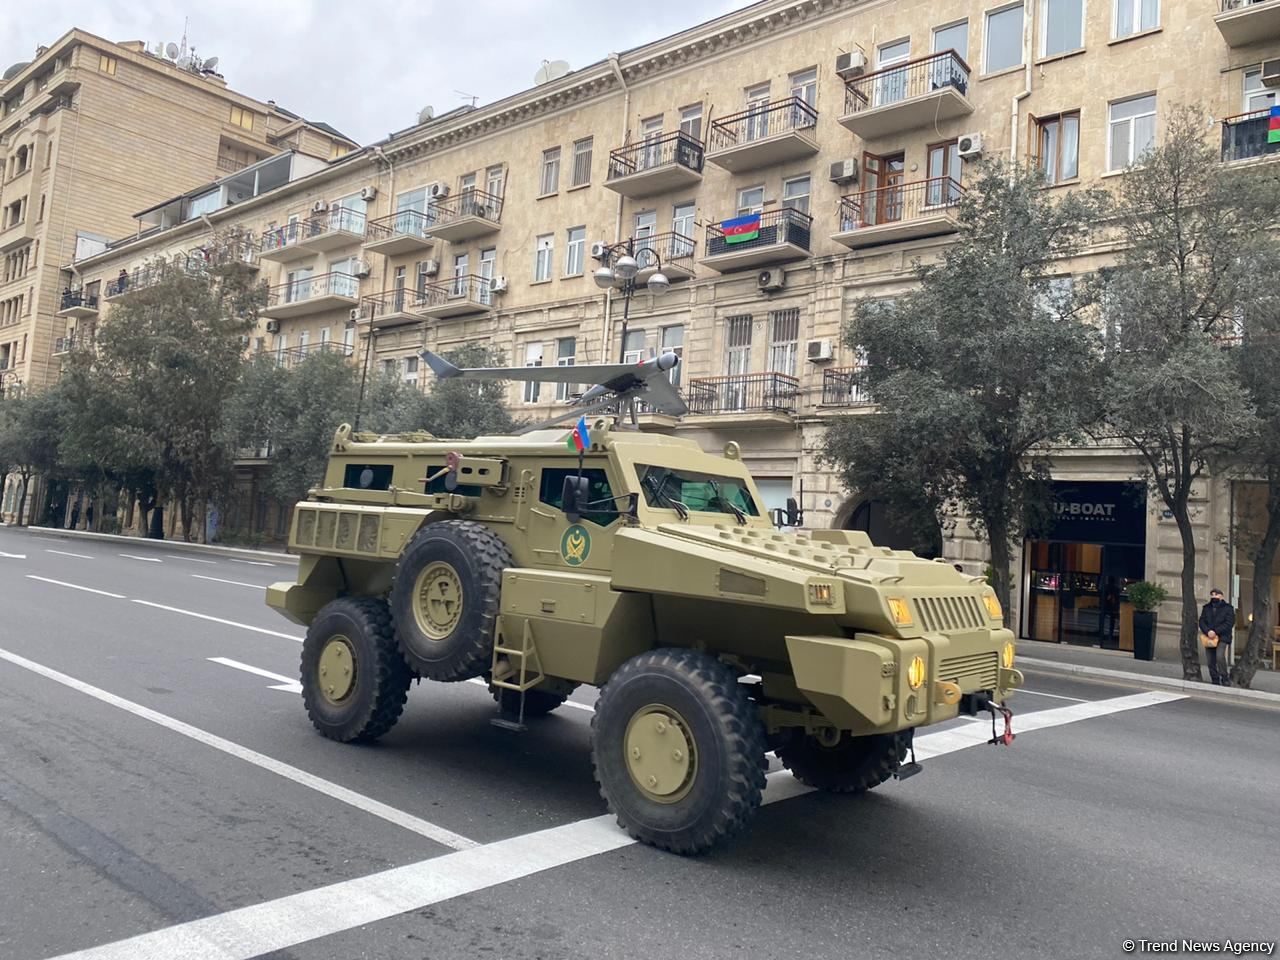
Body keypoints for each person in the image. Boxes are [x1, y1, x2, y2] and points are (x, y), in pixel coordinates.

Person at [1198, 588, 1236, 686]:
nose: (1214, 596)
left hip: (1223, 636)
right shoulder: (1207, 608)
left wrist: (1215, 631)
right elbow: (1202, 621)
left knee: (1220, 656)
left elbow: (1229, 623)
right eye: (1212, 595)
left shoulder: (1228, 608)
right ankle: (1214, 678)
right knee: (1210, 659)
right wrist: (1208, 631)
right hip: (1209, 637)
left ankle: (1224, 677)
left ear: (1221, 596)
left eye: (1216, 595)